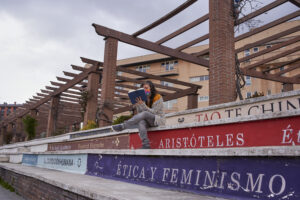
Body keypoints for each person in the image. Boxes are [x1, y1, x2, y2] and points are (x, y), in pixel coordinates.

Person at [112, 81, 165, 149]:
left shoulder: (158, 97)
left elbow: (154, 112)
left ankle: (123, 126)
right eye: (143, 89)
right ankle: (146, 144)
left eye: (146, 88)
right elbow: (141, 114)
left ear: (151, 88)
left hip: (158, 120)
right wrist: (138, 105)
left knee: (145, 114)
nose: (145, 90)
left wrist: (143, 105)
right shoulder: (142, 99)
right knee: (141, 122)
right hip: (148, 121)